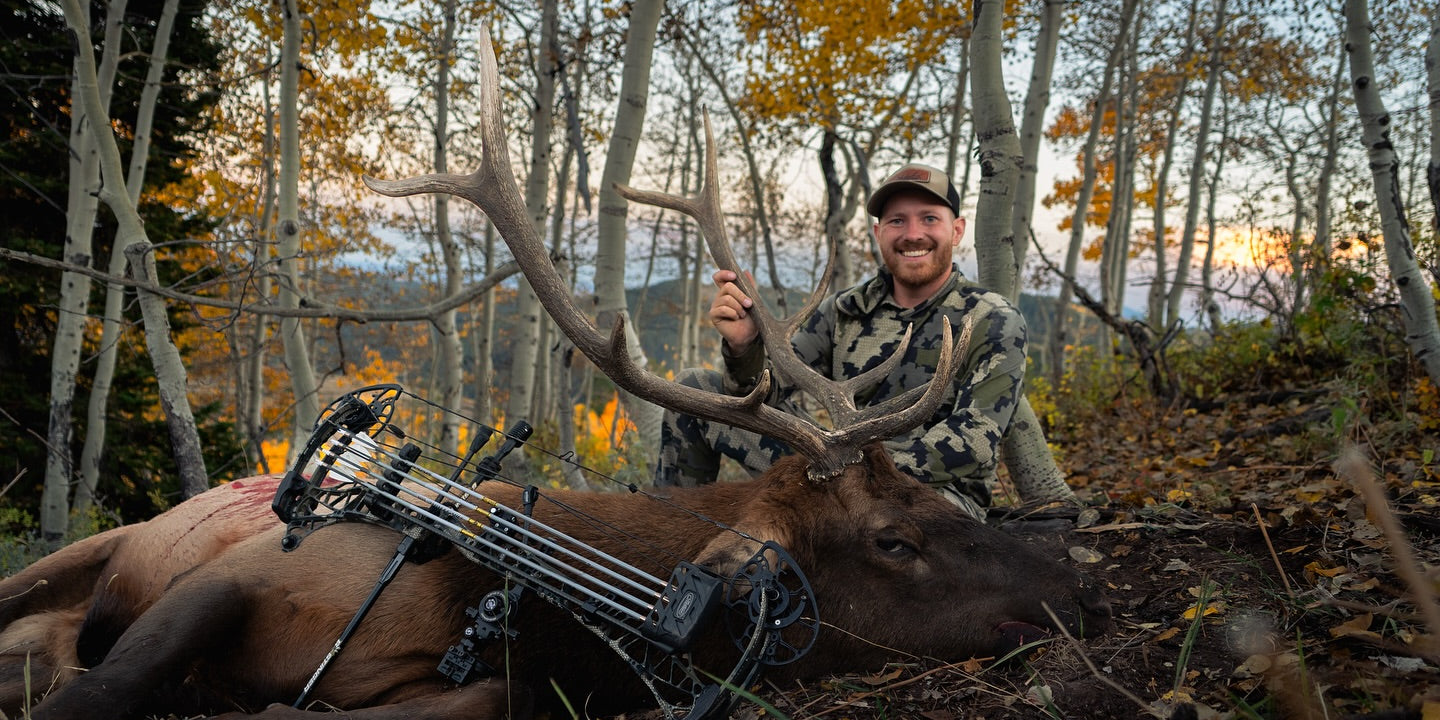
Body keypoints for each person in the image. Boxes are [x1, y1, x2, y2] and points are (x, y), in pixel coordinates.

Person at [652, 163, 1027, 520]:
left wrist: (851, 465)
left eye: (929, 218)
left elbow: (973, 445)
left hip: (929, 499)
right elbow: (758, 395)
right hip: (835, 469)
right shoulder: (844, 310)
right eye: (897, 220)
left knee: (851, 526)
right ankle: (665, 534)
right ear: (879, 233)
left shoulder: (993, 319)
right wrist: (744, 348)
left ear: (957, 231)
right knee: (696, 388)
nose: (913, 233)